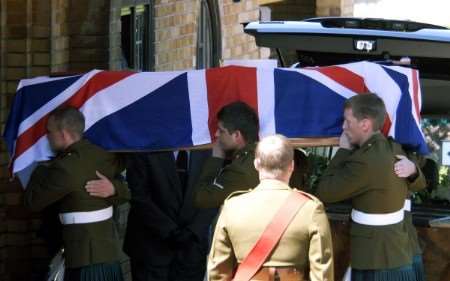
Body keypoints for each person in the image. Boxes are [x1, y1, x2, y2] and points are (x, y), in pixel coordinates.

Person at [315, 94, 426, 281]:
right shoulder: (394, 148)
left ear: (365, 124)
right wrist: (414, 170)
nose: (343, 127)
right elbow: (419, 185)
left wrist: (343, 151)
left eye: (347, 121)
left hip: (377, 258)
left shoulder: (364, 160)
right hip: (398, 251)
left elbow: (324, 192)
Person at [208, 134, 334, 281]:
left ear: (256, 164)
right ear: (292, 166)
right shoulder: (311, 208)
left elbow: (218, 271)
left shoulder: (232, 206)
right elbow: (322, 275)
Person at [24, 106, 130, 281]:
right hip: (109, 254)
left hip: (83, 259)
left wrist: (39, 169)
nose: (47, 137)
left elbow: (32, 202)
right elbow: (128, 191)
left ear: (64, 134)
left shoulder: (63, 167)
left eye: (49, 132)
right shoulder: (104, 155)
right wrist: (115, 189)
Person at [123, 150, 217, 281]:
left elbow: (215, 194)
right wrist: (169, 231)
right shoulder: (144, 145)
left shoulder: (207, 147)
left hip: (191, 251)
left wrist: (193, 231)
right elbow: (138, 194)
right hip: (151, 249)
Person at [194, 101, 260, 208]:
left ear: (236, 135)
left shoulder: (240, 171)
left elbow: (202, 198)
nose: (216, 134)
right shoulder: (262, 155)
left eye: (221, 131)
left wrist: (216, 158)